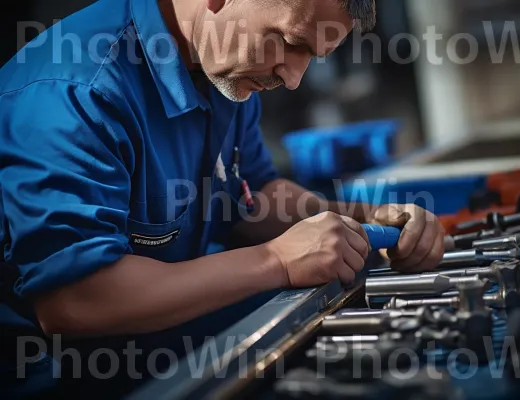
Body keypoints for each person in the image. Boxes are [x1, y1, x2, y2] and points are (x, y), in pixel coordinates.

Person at [0, 0, 445, 398]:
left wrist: (362, 220)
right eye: (290, 42)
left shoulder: (223, 68)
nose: (293, 78)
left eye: (312, 55)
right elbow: (77, 301)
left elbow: (253, 196)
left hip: (154, 346)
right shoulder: (77, 93)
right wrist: (277, 261)